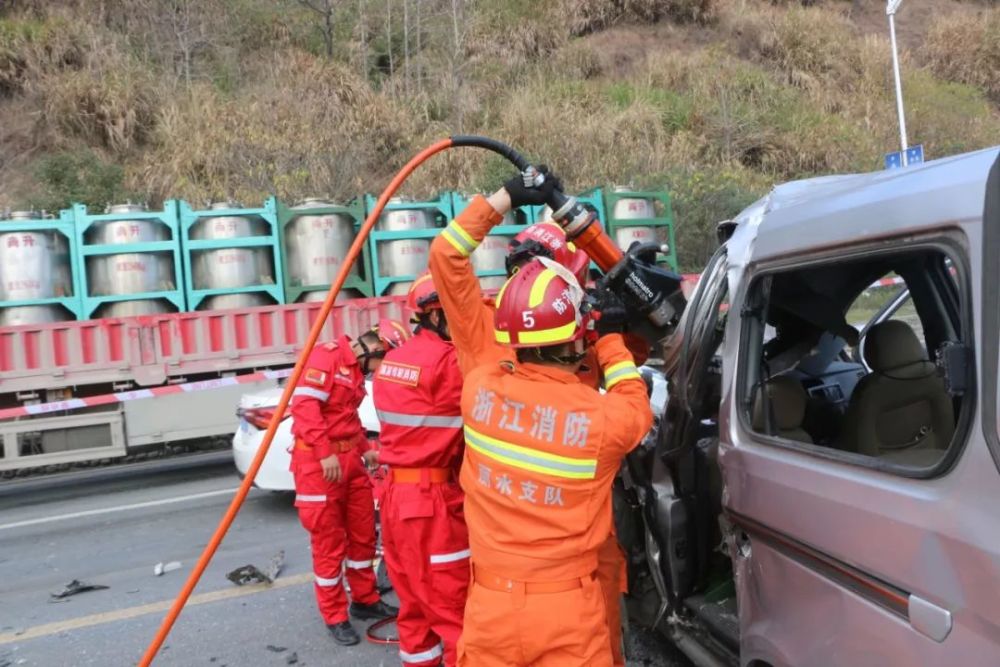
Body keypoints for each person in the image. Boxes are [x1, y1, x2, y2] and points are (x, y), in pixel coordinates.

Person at [429, 170, 632, 664]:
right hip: (574, 563)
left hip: (503, 574)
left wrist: (504, 199)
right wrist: (611, 337)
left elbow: (446, 256)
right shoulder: (590, 353)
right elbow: (632, 400)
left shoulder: (481, 366)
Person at [453, 256, 653, 666]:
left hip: (489, 607)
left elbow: (498, 352)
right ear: (577, 338)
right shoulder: (600, 422)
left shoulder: (478, 391)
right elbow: (636, 404)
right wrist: (611, 338)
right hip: (565, 612)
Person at [289, 320, 408, 646]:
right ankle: (334, 615)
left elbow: (346, 417)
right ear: (375, 350)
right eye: (387, 361)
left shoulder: (354, 372)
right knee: (329, 544)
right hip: (318, 465)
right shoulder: (326, 358)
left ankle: (365, 599)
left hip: (350, 463)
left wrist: (365, 449)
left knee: (363, 537)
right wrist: (325, 452)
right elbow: (304, 406)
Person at [371, 273, 468, 667]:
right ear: (437, 314)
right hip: (432, 503)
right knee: (457, 614)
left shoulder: (393, 360)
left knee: (413, 610)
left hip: (395, 497)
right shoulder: (448, 363)